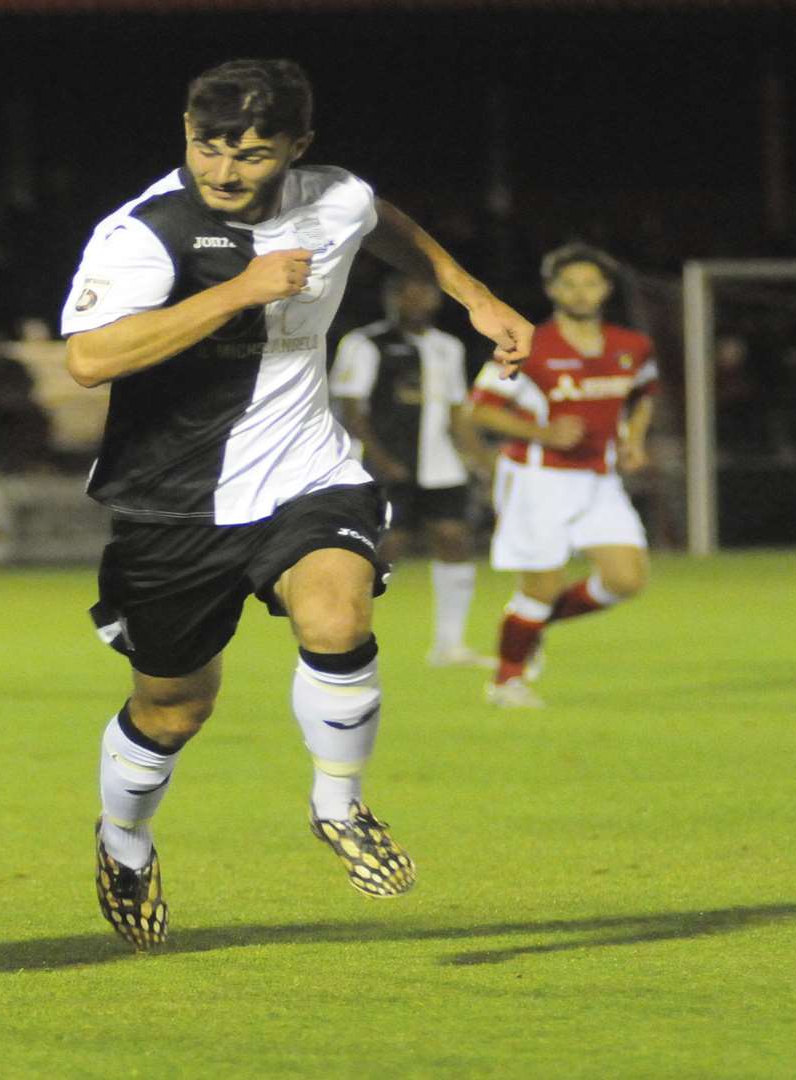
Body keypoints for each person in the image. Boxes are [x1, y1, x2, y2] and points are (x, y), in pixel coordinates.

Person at [60, 58, 532, 949]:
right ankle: (123, 842)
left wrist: (476, 297)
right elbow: (90, 358)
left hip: (308, 474)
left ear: (297, 149)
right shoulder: (143, 235)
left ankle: (338, 803)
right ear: (187, 136)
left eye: (253, 154)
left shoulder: (335, 197)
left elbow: (380, 222)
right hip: (175, 507)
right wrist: (239, 290)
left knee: (336, 613)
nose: (226, 171)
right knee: (173, 708)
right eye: (210, 149)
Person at [470, 244, 657, 708]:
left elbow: (643, 395)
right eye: (570, 283)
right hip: (538, 479)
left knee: (625, 580)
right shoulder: (529, 346)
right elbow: (481, 410)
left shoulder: (631, 346)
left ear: (606, 290)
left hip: (599, 479)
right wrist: (543, 431)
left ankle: (529, 627)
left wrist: (633, 440)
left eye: (591, 282)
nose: (581, 291)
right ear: (552, 289)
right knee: (540, 587)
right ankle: (506, 681)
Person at [330, 274, 497, 668]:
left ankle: (449, 644)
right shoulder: (364, 343)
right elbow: (351, 407)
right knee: (386, 549)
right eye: (407, 290)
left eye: (425, 290)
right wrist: (380, 458)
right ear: (391, 297)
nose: (418, 298)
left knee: (454, 538)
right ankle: (343, 635)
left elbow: (458, 412)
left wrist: (482, 463)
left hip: (441, 466)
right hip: (387, 464)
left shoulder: (448, 347)